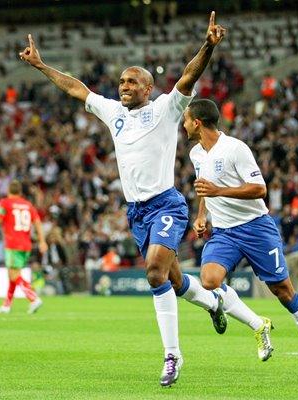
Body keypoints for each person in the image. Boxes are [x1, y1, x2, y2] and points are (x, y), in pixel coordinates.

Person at [20, 11, 227, 387]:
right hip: (136, 213)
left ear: (149, 88)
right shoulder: (113, 112)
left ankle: (172, 356)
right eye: (121, 81)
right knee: (174, 281)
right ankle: (214, 303)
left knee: (152, 272)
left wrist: (208, 47)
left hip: (165, 203)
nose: (124, 86)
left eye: (132, 81)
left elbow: (188, 76)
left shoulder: (166, 108)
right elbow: (75, 88)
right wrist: (40, 66)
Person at [183, 98, 298, 377]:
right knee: (209, 281)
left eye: (187, 120)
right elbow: (205, 188)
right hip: (225, 232)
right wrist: (202, 215)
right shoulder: (196, 154)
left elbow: (259, 189)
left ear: (198, 122)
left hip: (256, 228)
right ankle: (258, 324)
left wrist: (218, 192)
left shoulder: (235, 149)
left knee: (283, 292)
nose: (184, 125)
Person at [0, 181, 47, 314]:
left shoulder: (5, 203)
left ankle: (33, 298)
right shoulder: (28, 205)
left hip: (13, 244)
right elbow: (37, 222)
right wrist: (42, 241)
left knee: (14, 275)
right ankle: (6, 305)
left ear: (8, 191)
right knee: (12, 275)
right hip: (26, 244)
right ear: (20, 193)